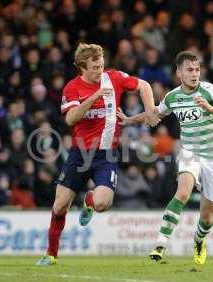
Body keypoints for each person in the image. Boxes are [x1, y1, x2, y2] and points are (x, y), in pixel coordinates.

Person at [35, 43, 159, 266]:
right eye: (94, 67)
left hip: (106, 155)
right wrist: (93, 98)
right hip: (79, 154)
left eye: (101, 65)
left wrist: (149, 110)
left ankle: (89, 200)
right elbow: (71, 119)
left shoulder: (114, 77)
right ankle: (51, 255)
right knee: (60, 205)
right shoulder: (72, 88)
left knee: (103, 203)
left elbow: (145, 86)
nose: (100, 70)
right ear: (82, 67)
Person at [118, 51, 213, 265]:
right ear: (179, 73)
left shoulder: (211, 91)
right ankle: (160, 244)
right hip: (190, 152)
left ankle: (199, 240)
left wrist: (211, 108)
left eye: (197, 69)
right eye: (190, 70)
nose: (195, 74)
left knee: (207, 217)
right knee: (182, 193)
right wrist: (129, 121)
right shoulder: (172, 97)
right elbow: (154, 114)